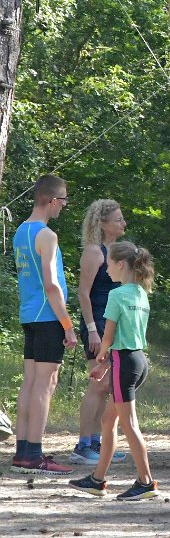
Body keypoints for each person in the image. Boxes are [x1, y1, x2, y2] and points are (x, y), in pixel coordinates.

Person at [68, 242, 159, 500]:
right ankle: (97, 480)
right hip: (137, 360)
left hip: (124, 363)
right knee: (108, 422)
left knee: (129, 425)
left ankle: (146, 482)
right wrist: (107, 364)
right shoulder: (141, 293)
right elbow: (128, 336)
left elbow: (108, 336)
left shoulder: (116, 295)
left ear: (120, 264)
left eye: (108, 264)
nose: (106, 269)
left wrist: (100, 357)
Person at [10, 174, 77, 475]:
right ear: (51, 200)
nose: (64, 205)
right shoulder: (47, 235)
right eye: (63, 200)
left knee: (30, 383)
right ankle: (35, 454)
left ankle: (23, 452)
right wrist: (68, 325)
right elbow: (51, 285)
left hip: (29, 315)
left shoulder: (20, 231)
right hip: (48, 316)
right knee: (45, 384)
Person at [70, 199, 128, 465]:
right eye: (118, 219)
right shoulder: (94, 252)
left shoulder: (118, 251)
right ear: (103, 224)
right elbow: (83, 293)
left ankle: (96, 442)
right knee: (99, 383)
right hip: (97, 323)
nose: (123, 223)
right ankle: (83, 445)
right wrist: (92, 330)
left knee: (108, 386)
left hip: (116, 322)